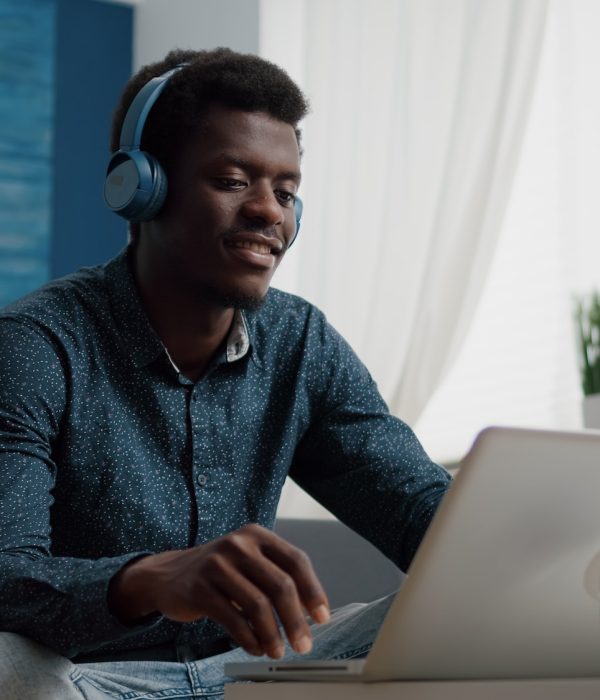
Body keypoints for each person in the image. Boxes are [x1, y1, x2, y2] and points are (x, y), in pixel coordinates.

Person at [0, 48, 451, 699]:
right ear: (141, 187)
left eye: (287, 191)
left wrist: (526, 559)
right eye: (234, 180)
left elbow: (416, 510)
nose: (270, 211)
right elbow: (7, 574)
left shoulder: (301, 343)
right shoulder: (36, 346)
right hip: (83, 679)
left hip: (247, 672)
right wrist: (150, 578)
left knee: (427, 629)